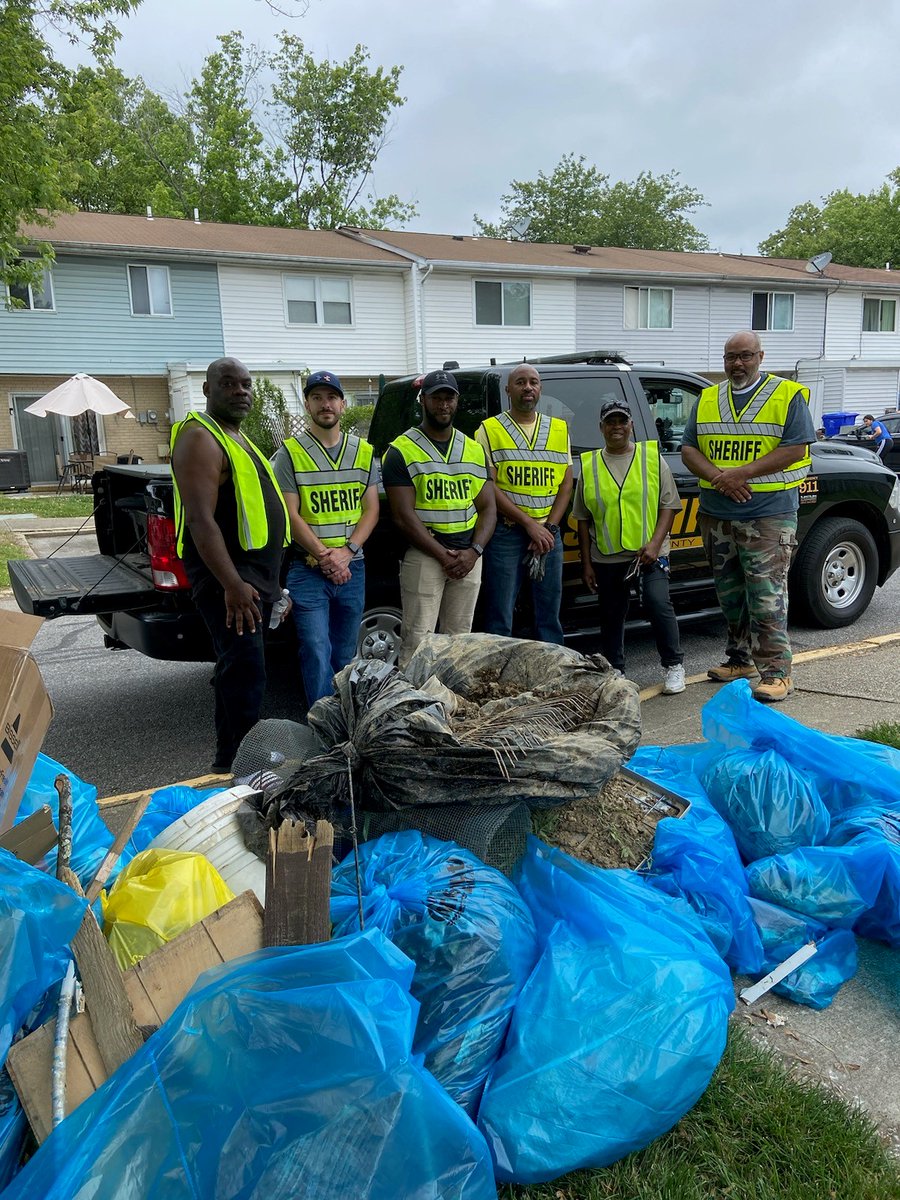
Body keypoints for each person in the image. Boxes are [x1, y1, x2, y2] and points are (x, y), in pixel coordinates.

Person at [681, 330, 816, 703]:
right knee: (730, 595)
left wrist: (742, 474)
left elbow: (796, 448)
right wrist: (719, 478)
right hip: (717, 512)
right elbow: (689, 448)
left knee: (766, 595)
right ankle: (739, 659)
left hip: (768, 514)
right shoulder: (708, 398)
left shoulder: (786, 395)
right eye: (730, 357)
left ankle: (776, 673)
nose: (737, 364)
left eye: (745, 356)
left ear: (760, 356)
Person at [171, 357, 290, 772]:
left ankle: (233, 760)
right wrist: (233, 584)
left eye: (246, 384)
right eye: (228, 384)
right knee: (245, 673)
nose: (241, 391)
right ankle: (239, 767)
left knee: (239, 668)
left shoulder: (237, 438)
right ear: (206, 390)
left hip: (251, 581)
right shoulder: (200, 438)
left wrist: (274, 585)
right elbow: (202, 521)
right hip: (229, 582)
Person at [271, 370, 378, 705]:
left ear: (343, 405)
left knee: (345, 652)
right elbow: (290, 514)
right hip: (308, 570)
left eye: (331, 397)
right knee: (316, 648)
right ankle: (321, 722)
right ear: (307, 405)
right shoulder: (290, 454)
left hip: (352, 567)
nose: (325, 404)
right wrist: (325, 556)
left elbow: (371, 509)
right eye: (317, 398)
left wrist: (347, 552)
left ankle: (342, 717)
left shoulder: (363, 452)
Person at [383, 369, 496, 667]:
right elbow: (402, 516)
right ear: (423, 400)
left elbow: (487, 507)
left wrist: (474, 552)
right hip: (425, 554)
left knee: (460, 640)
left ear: (457, 401)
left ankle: (451, 704)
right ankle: (413, 706)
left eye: (449, 398)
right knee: (418, 640)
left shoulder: (473, 449)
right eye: (436, 398)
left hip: (468, 555)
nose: (443, 405)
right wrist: (443, 556)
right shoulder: (401, 450)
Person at [574, 398, 686, 693]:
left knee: (657, 601)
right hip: (607, 556)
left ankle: (674, 665)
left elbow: (669, 505)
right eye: (610, 422)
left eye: (622, 421)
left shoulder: (651, 457)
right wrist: (586, 563)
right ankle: (616, 671)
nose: (617, 427)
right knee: (611, 613)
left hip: (649, 553)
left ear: (631, 425)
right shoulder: (590, 464)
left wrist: (655, 544)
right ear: (601, 427)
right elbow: (583, 519)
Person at [475, 364, 572, 644]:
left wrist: (549, 527)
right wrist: (529, 525)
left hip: (547, 535)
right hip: (507, 534)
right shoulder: (489, 430)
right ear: (508, 390)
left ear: (540, 389)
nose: (527, 387)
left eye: (533, 382)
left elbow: (566, 484)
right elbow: (488, 486)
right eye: (520, 382)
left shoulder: (559, 429)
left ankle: (552, 673)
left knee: (549, 615)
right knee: (500, 615)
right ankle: (496, 679)